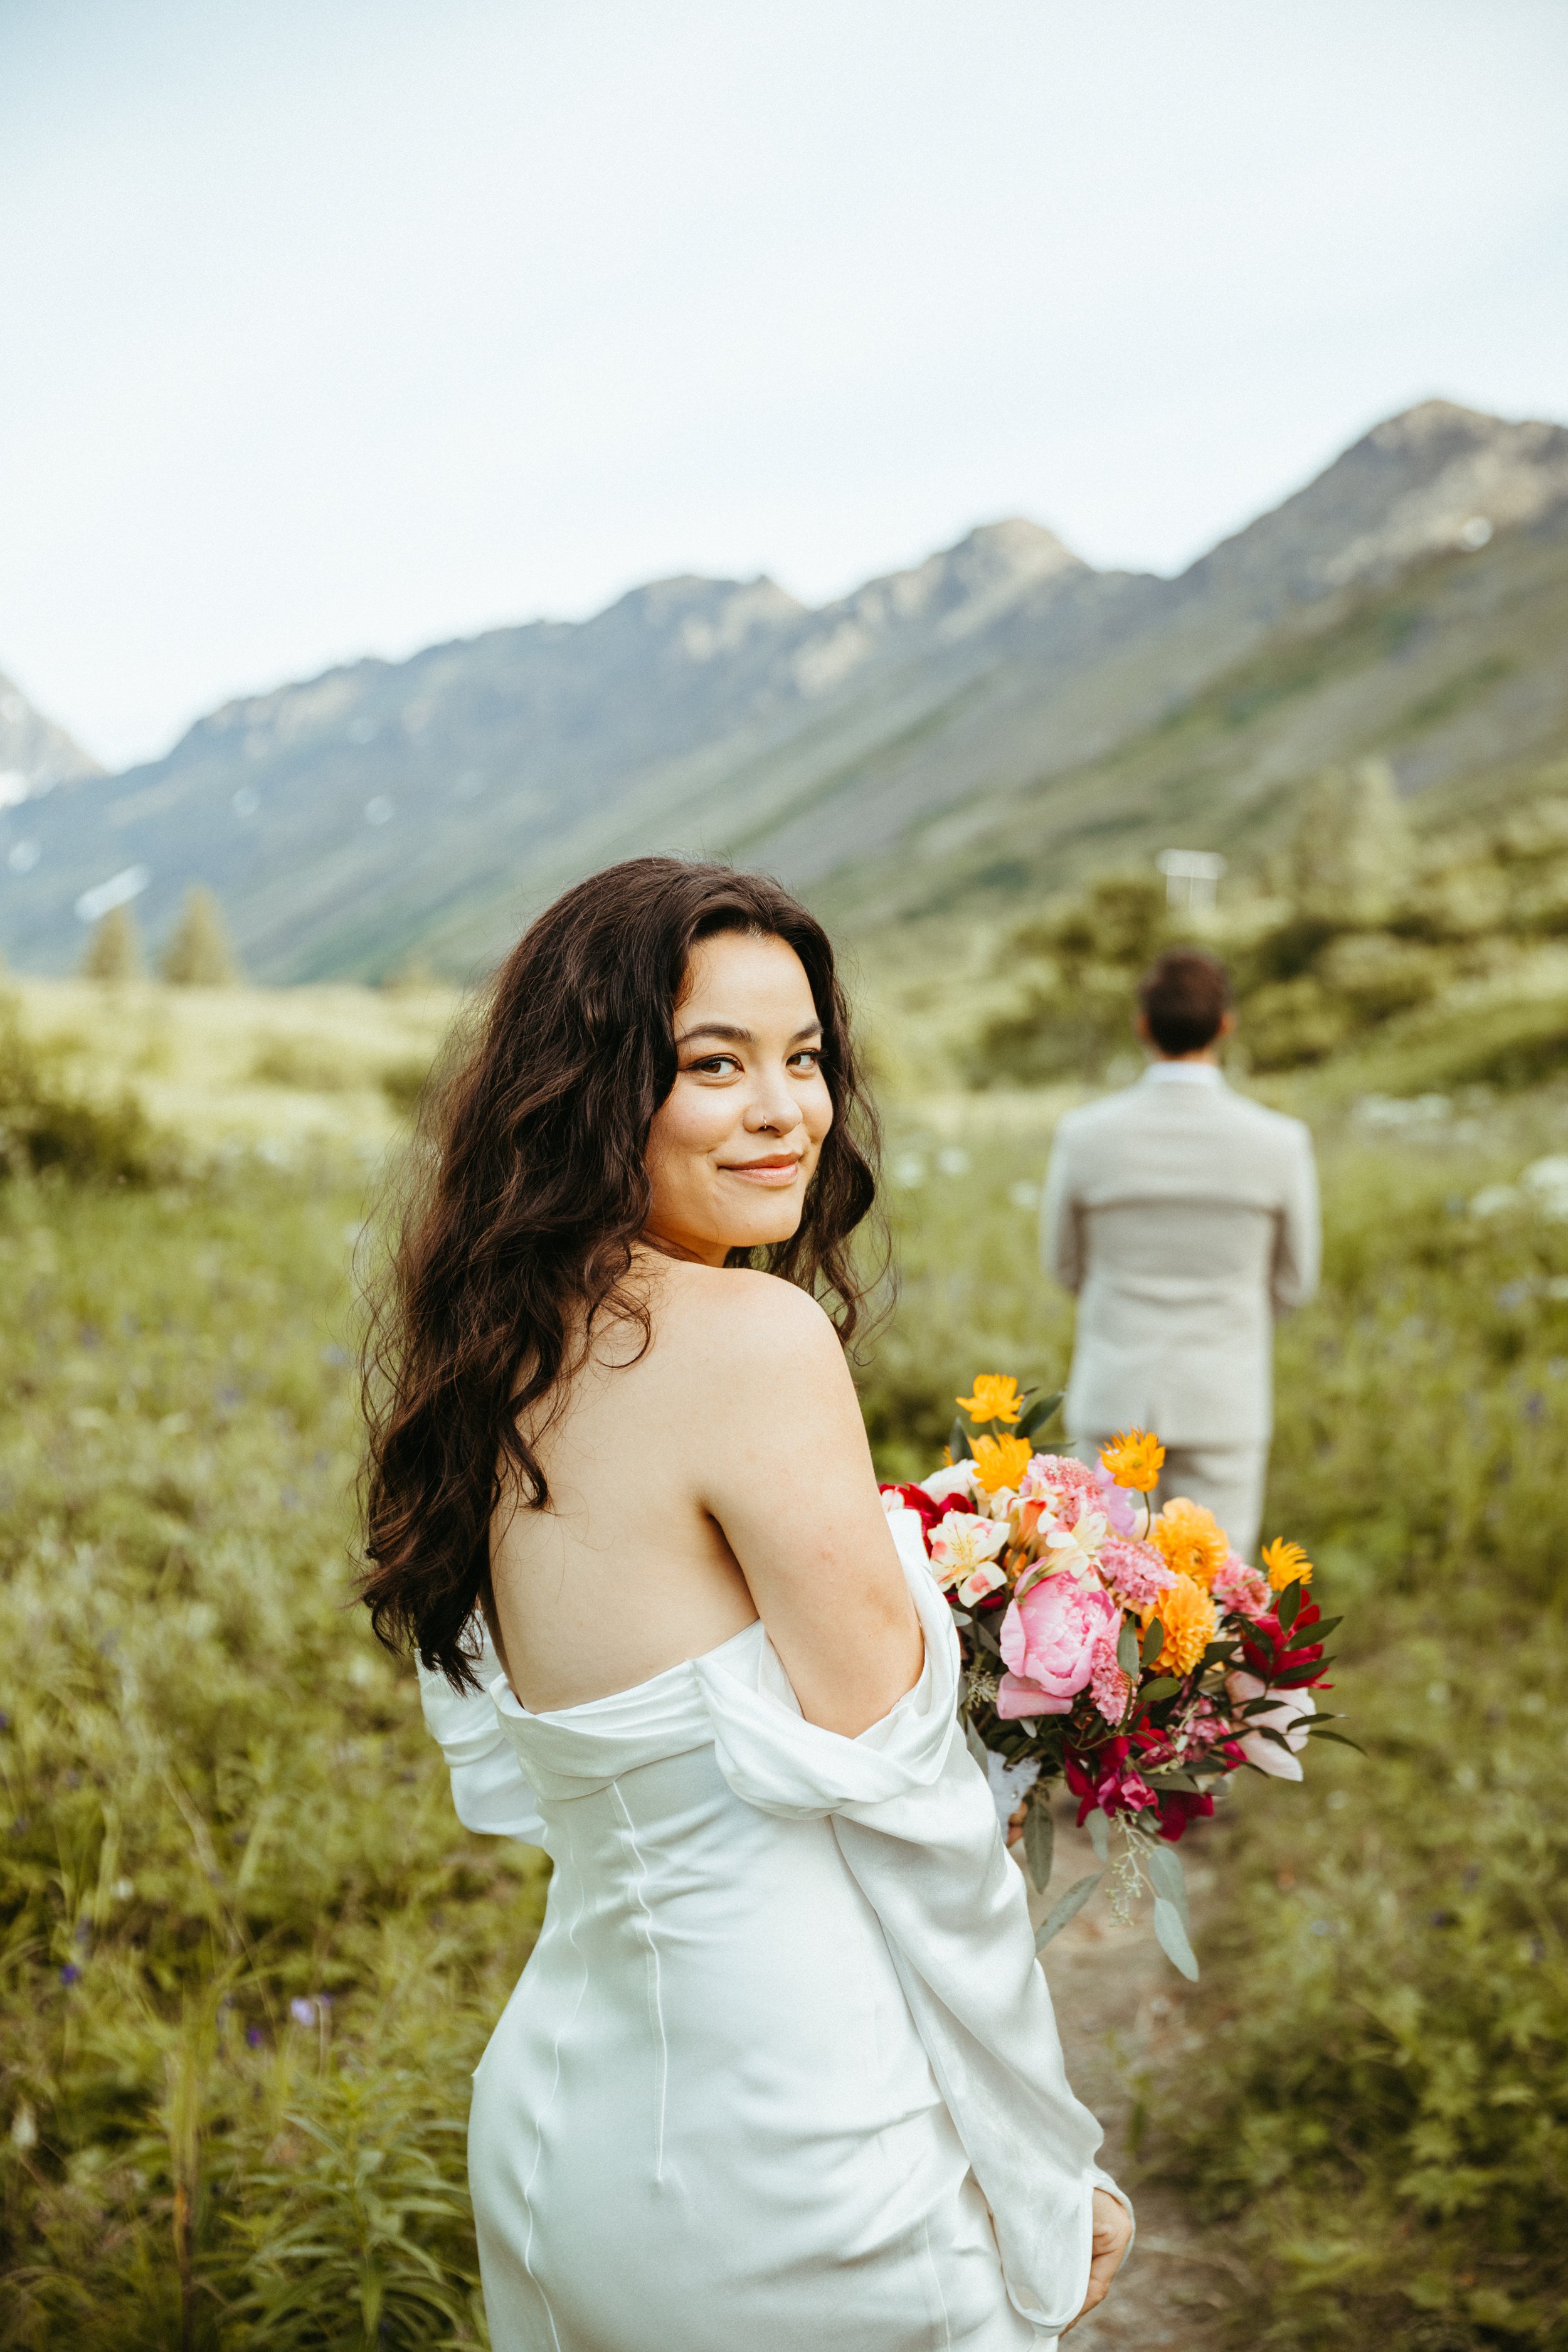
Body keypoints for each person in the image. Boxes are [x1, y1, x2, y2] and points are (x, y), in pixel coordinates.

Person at [361, 857, 1132, 2352]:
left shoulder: (498, 1356)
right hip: (798, 2142)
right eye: (715, 1063)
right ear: (596, 1088)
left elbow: (541, 1773)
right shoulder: (756, 1338)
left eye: (805, 1056)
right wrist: (1043, 2160)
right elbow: (915, 1823)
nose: (786, 1107)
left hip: (560, 2128)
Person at [1041, 946, 1320, 1560]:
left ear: (1142, 1025)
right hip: (1225, 1397)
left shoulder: (1085, 1136)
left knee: (1104, 1594)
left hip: (1114, 1391)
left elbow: (1063, 1264)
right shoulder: (1279, 1143)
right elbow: (1295, 1279)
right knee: (1215, 1597)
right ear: (1226, 1024)